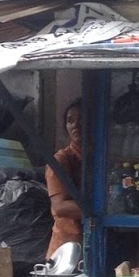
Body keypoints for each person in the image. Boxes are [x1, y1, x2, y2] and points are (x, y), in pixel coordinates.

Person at [45, 99, 84, 258]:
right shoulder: (61, 160)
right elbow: (60, 207)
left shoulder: (100, 159)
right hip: (66, 249)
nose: (75, 125)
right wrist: (105, 208)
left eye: (82, 120)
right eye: (70, 120)